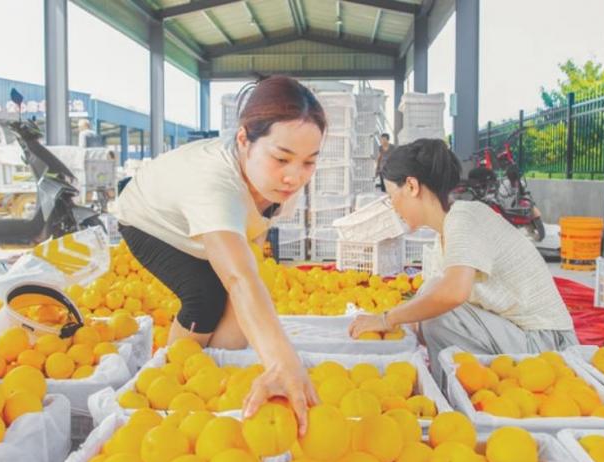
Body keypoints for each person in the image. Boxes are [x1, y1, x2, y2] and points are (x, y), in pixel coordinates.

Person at [113, 76, 324, 431]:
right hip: (151, 219)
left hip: (209, 222)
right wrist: (282, 362)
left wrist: (235, 355)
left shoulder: (277, 182)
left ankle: (214, 389)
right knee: (205, 297)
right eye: (282, 158)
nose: (294, 177)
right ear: (244, 139)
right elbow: (237, 277)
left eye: (308, 162)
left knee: (239, 309)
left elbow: (251, 241)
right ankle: (172, 389)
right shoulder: (214, 182)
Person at [349, 139, 578, 381]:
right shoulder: (444, 235)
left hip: (547, 344)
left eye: (391, 196)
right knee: (428, 295)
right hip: (518, 337)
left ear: (411, 186)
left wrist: (387, 319)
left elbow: (453, 294)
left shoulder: (465, 217)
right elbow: (430, 304)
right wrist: (389, 328)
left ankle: (453, 389)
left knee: (437, 313)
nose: (393, 207)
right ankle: (458, 383)